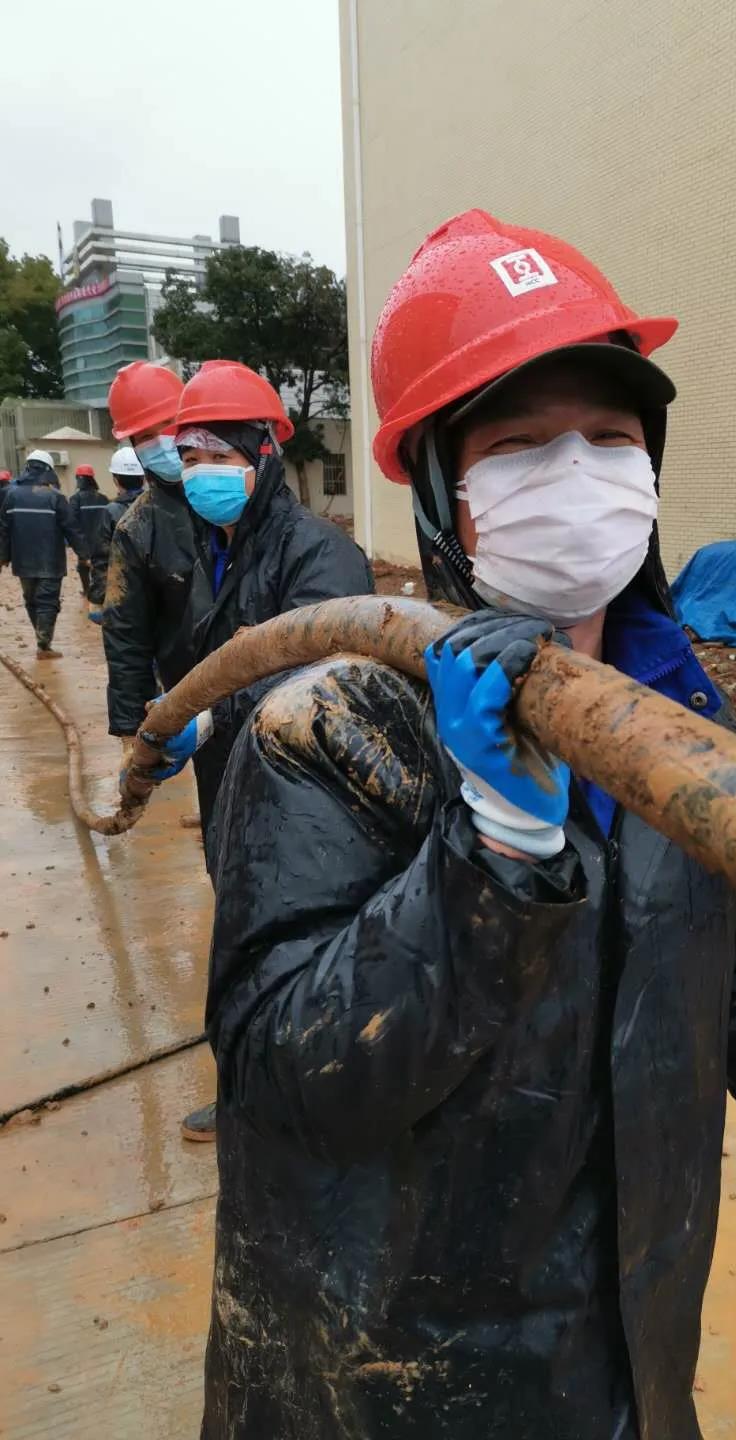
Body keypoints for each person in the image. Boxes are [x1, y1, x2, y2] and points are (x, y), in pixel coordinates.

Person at [198, 211, 736, 1440]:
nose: (579, 476)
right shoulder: (332, 727)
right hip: (402, 1365)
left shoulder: (680, 715)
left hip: (631, 1325)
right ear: (446, 493)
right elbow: (287, 1075)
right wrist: (491, 856)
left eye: (610, 438)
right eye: (522, 446)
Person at [150, 359, 375, 1143]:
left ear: (264, 453)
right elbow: (206, 652)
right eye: (190, 455)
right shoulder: (217, 543)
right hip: (231, 780)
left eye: (219, 453)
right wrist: (169, 712)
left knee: (297, 943)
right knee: (242, 934)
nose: (201, 471)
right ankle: (255, 1088)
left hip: (301, 788)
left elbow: (316, 675)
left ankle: (293, 1102)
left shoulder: (317, 553)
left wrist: (210, 717)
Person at [101, 361, 213, 774]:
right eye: (146, 436)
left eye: (168, 425)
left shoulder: (233, 493)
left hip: (260, 684)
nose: (162, 442)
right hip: (194, 699)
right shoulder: (137, 530)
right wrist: (131, 731)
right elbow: (126, 636)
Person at [0, 449, 86, 656]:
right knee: (47, 601)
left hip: (23, 562)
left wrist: (3, 557)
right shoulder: (56, 497)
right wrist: (84, 554)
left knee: (31, 600)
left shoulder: (12, 496)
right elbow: (72, 529)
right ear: (49, 470)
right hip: (50, 561)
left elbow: (3, 530)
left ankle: (41, 639)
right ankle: (43, 645)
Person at [87, 447, 145, 616]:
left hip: (122, 594)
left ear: (115, 480)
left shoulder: (111, 511)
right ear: (143, 478)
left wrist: (97, 598)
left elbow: (102, 558)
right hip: (155, 595)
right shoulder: (157, 506)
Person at [67, 464, 109, 601]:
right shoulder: (103, 498)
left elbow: (71, 522)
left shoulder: (75, 499)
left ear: (79, 479)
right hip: (102, 540)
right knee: (101, 567)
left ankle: (86, 591)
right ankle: (101, 592)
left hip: (83, 540)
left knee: (83, 566)